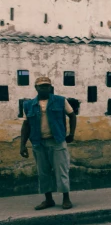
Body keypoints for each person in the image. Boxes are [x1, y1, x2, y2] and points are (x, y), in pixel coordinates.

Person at [19, 76, 77, 210]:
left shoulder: (61, 101)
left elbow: (72, 116)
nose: (44, 88)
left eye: (46, 86)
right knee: (43, 172)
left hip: (57, 141)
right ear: (36, 88)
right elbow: (26, 125)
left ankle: (66, 198)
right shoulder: (28, 105)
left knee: (61, 170)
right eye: (41, 86)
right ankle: (48, 199)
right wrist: (22, 145)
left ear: (50, 87)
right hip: (38, 143)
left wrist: (71, 134)